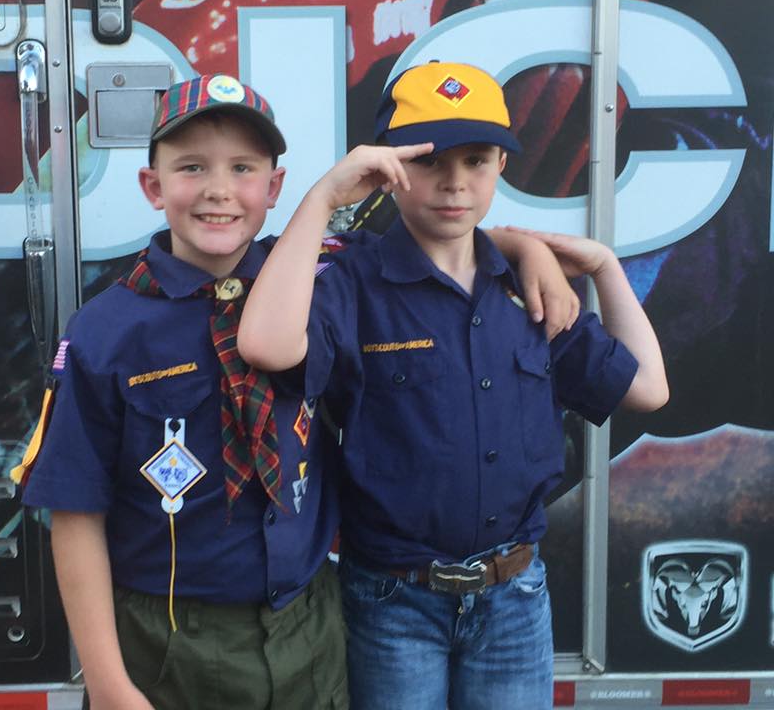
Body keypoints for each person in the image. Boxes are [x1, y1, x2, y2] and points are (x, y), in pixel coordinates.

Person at [11, 73, 579, 710]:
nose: (219, 190)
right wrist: (108, 683)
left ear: (274, 187)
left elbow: (437, 243)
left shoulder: (317, 276)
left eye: (243, 168)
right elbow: (74, 511)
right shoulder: (104, 332)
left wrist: (524, 249)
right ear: (153, 186)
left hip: (308, 632)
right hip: (169, 640)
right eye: (192, 167)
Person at [237, 62, 669, 710]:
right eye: (430, 159)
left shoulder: (529, 289)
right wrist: (325, 197)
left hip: (514, 598)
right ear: (389, 167)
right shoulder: (351, 281)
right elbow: (268, 346)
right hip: (392, 602)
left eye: (476, 160)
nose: (455, 181)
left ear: (501, 164)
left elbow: (647, 390)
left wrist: (605, 266)